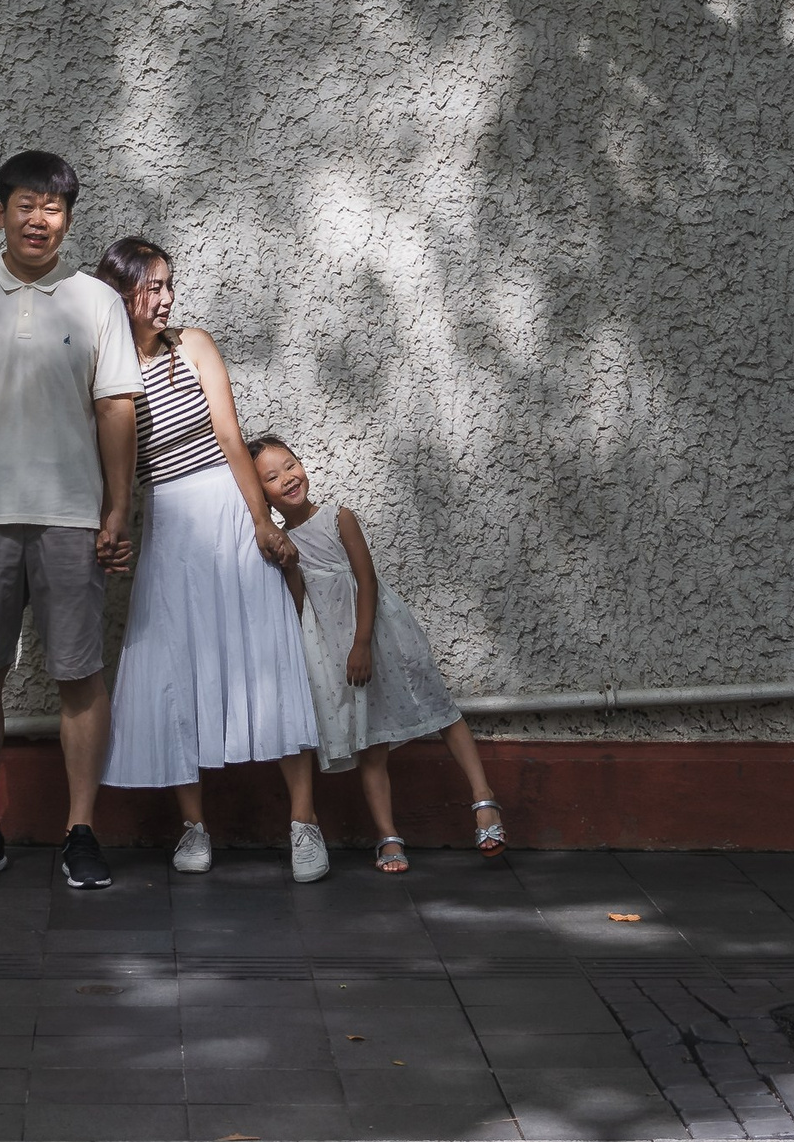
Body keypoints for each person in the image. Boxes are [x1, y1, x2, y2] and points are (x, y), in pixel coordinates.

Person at [0, 150, 143, 891]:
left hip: (72, 516)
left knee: (81, 673)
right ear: (2, 209)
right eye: (25, 203)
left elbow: (116, 408)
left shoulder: (97, 302)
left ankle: (81, 829)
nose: (37, 218)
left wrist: (117, 505)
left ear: (69, 218)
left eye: (52, 206)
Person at [97, 239, 327, 881]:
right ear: (122, 294)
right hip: (167, 520)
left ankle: (305, 823)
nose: (166, 297)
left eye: (170, 283)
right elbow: (113, 470)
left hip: (229, 506)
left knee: (270, 655)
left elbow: (231, 435)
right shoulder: (106, 373)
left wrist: (261, 520)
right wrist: (111, 527)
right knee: (174, 666)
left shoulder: (194, 345)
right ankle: (194, 827)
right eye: (153, 286)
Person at [249, 433, 506, 872]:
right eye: (272, 477)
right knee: (372, 740)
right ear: (261, 495)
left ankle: (485, 801)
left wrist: (363, 641)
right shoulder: (281, 546)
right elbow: (298, 604)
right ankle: (388, 836)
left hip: (378, 634)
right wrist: (288, 563)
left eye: (290, 465)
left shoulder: (338, 517)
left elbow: (365, 580)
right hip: (336, 648)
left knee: (439, 707)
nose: (288, 478)